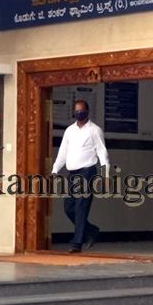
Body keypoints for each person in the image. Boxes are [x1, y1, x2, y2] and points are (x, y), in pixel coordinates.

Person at [51, 100, 109, 253]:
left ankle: (77, 243)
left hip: (87, 172)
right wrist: (55, 170)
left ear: (87, 112)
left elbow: (102, 154)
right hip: (73, 174)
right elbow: (63, 153)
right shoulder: (69, 131)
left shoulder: (94, 130)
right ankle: (91, 231)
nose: (79, 113)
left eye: (81, 110)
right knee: (69, 207)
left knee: (81, 207)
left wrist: (105, 175)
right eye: (76, 111)